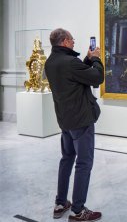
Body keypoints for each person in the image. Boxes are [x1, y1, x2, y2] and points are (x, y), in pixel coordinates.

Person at [45, 28, 104, 222]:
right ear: (63, 42)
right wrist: (95, 59)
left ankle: (60, 203)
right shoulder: (70, 62)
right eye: (71, 40)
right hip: (81, 120)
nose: (73, 42)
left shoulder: (51, 62)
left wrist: (86, 60)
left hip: (65, 120)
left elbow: (77, 75)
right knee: (84, 163)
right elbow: (96, 77)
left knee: (67, 159)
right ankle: (78, 210)